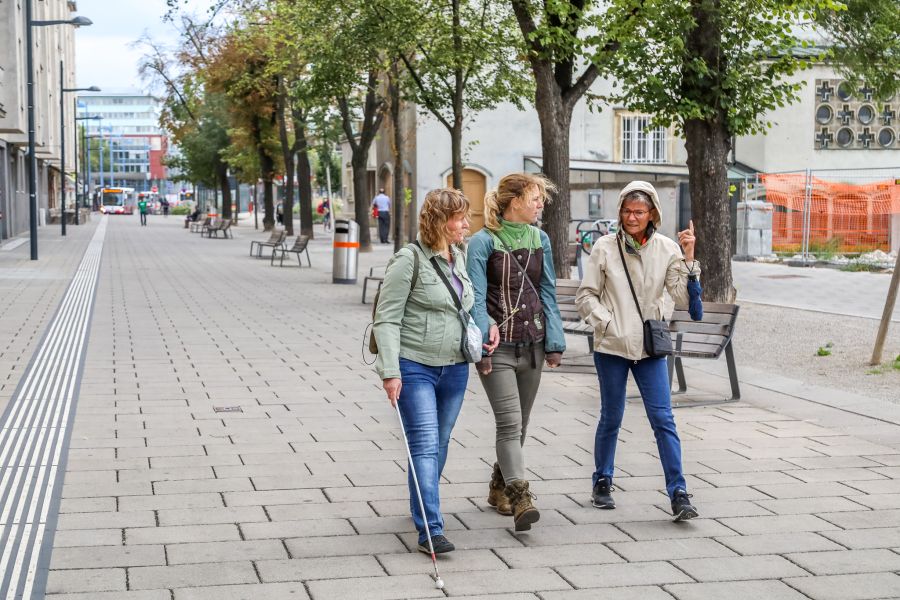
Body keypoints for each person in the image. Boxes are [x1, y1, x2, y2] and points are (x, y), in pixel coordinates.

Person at [575, 180, 700, 521]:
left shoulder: (667, 249)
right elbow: (585, 296)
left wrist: (689, 260)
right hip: (612, 346)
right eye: (627, 211)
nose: (632, 217)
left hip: (649, 348)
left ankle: (678, 491)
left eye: (639, 212)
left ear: (652, 214)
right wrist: (608, 323)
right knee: (611, 417)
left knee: (663, 420)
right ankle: (602, 479)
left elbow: (684, 300)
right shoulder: (603, 247)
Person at [373, 188, 473, 554]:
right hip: (415, 366)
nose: (467, 223)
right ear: (440, 220)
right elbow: (386, 319)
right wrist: (390, 371)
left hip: (456, 367)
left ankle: (420, 502)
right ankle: (431, 529)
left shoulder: (458, 255)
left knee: (438, 444)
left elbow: (462, 308)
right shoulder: (408, 259)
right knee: (425, 445)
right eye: (460, 217)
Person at [466, 173, 566, 531]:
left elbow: (548, 292)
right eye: (535, 197)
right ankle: (521, 496)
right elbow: (475, 299)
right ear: (514, 201)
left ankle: (498, 487)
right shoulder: (481, 243)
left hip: (534, 345)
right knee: (509, 423)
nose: (540, 204)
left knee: (520, 424)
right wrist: (482, 342)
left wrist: (554, 341)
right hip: (499, 347)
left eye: (541, 198)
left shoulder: (541, 239)